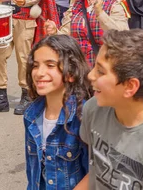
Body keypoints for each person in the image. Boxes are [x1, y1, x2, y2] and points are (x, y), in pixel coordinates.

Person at [80, 29, 143, 189]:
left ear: (130, 86)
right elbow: (95, 172)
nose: (90, 75)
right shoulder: (93, 110)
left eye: (100, 71)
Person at [24, 35, 91, 189]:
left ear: (71, 73)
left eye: (50, 65)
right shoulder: (31, 115)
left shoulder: (84, 116)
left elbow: (96, 174)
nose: (39, 72)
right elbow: (33, 174)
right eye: (35, 65)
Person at [45, 0, 129, 67]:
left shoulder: (114, 5)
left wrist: (100, 13)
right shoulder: (76, 7)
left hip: (105, 70)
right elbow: (67, 37)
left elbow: (122, 37)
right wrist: (55, 32)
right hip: (78, 70)